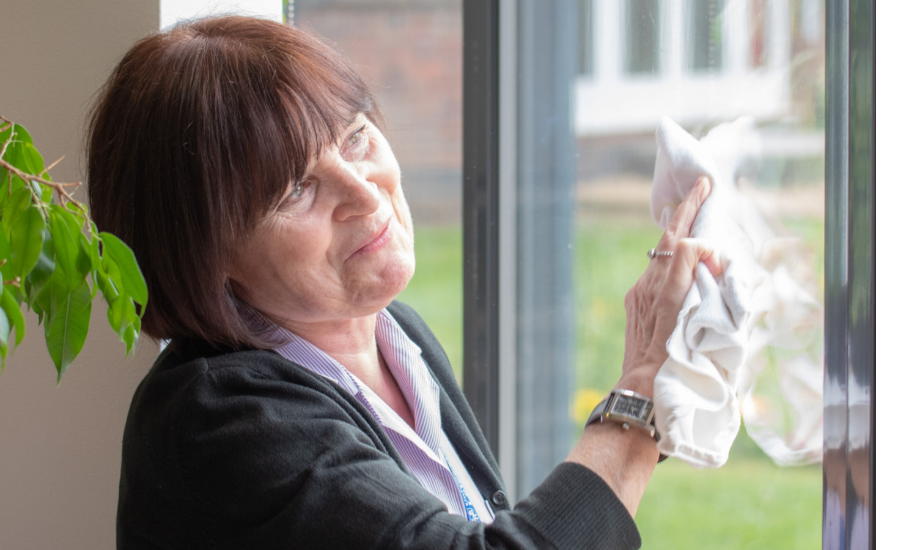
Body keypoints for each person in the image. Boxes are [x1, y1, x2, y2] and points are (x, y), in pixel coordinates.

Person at [87, 16, 721, 550]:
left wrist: (671, 379)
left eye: (357, 138)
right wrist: (640, 389)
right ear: (203, 252)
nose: (366, 194)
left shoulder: (393, 334)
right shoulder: (216, 421)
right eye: (296, 188)